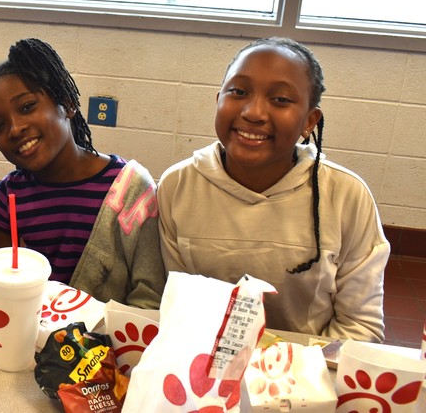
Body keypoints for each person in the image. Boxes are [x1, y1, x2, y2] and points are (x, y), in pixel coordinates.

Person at [158, 37, 389, 342]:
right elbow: (177, 306)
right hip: (202, 368)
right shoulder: (177, 186)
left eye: (280, 99)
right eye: (238, 92)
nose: (254, 112)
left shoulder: (346, 196)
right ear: (218, 101)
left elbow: (361, 327)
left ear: (310, 120)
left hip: (309, 376)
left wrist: (295, 376)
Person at [0, 38, 164, 309]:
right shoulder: (9, 196)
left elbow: (149, 294)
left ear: (67, 104)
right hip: (38, 332)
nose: (15, 128)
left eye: (27, 107)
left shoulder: (130, 189)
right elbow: (5, 286)